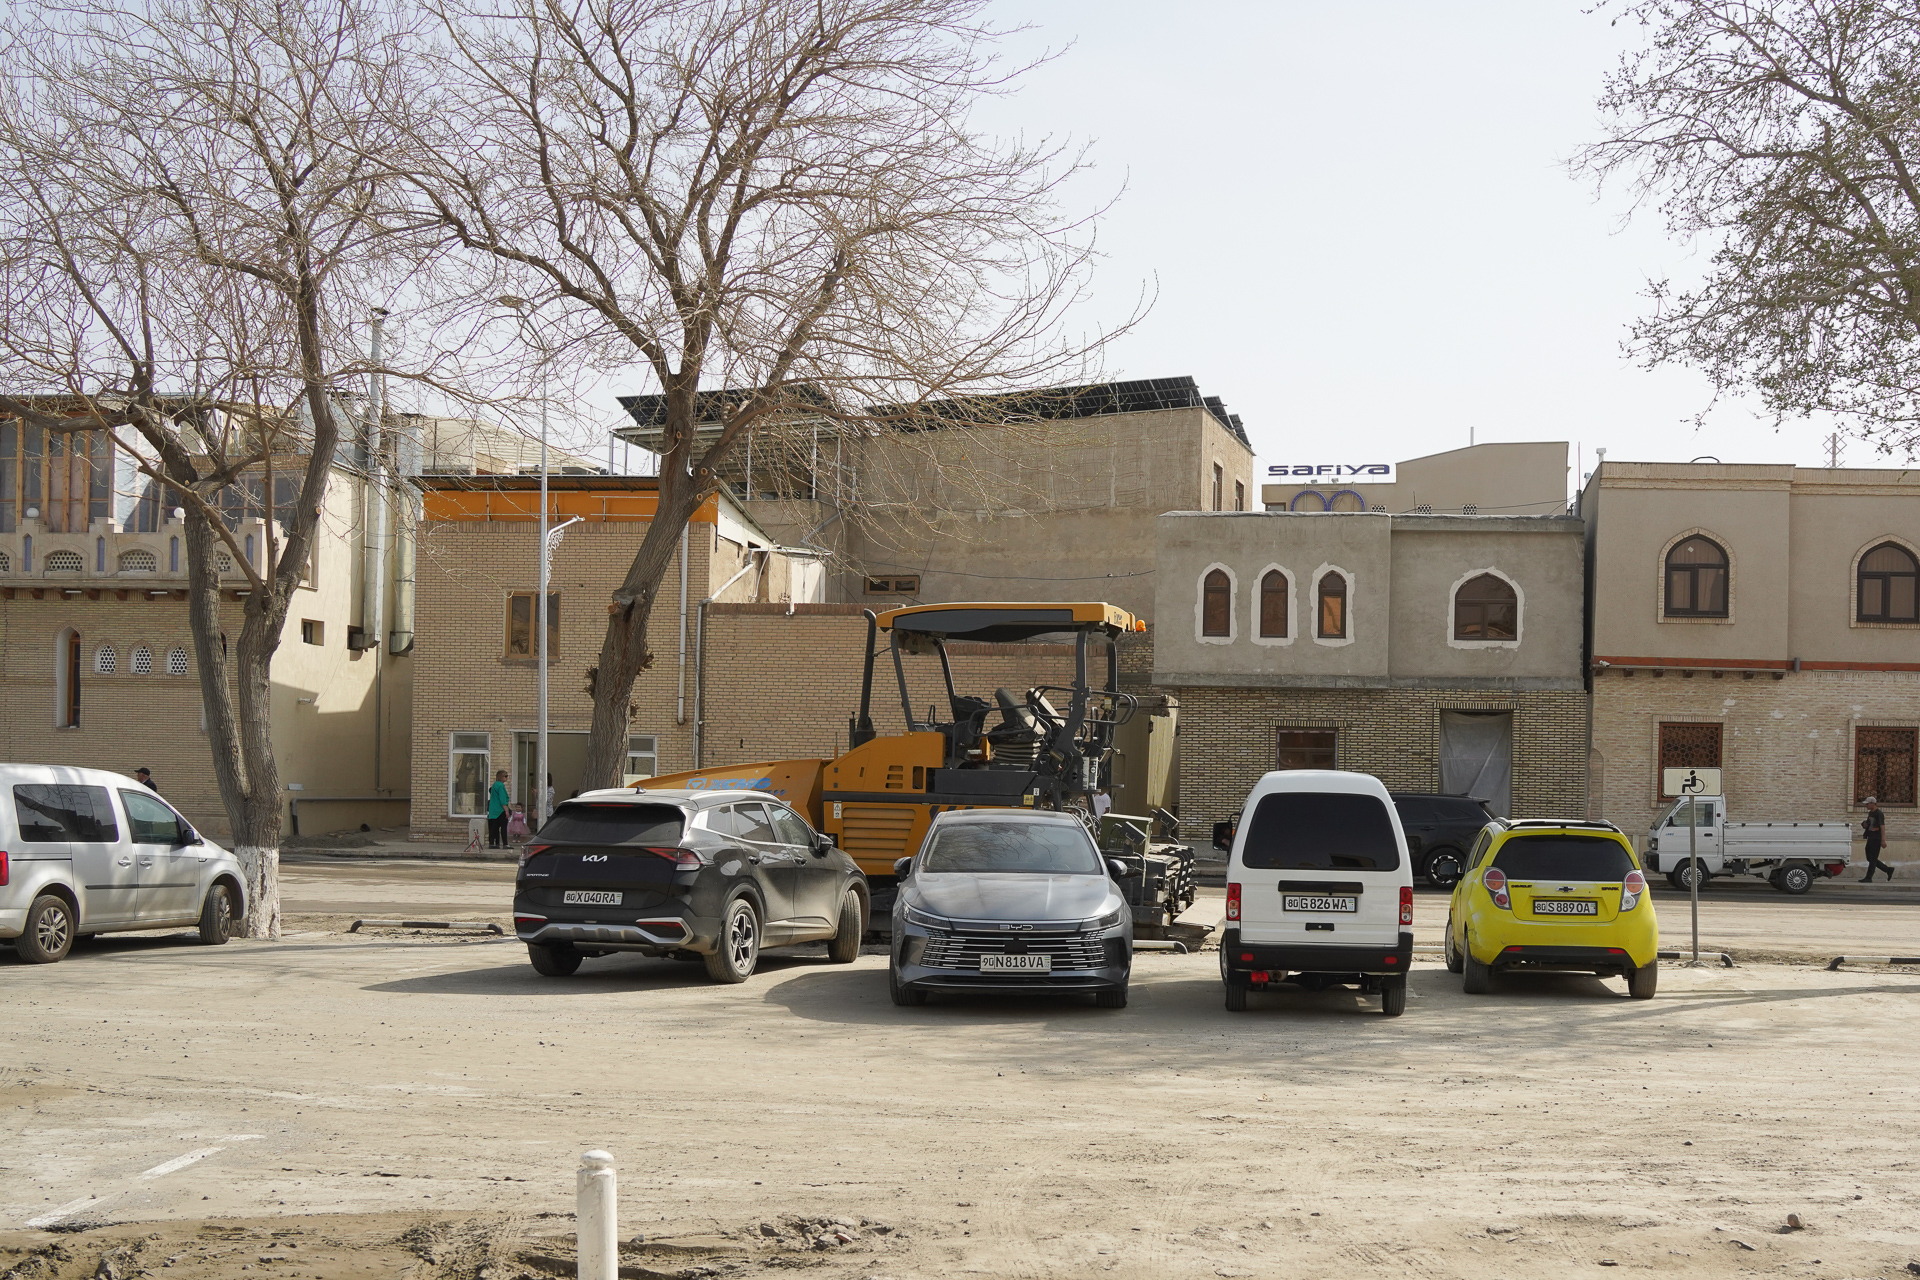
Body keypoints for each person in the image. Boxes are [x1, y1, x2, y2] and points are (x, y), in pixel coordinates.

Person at [1860, 796, 1893, 881]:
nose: (1866, 806)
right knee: (1869, 858)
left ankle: (1868, 877)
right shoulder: (1870, 813)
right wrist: (1864, 824)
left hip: (1876, 838)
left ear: (1872, 803)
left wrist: (1883, 840)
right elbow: (1869, 824)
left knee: (1873, 858)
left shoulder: (1879, 814)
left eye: (1867, 804)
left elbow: (1882, 827)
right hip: (1870, 837)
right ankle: (1888, 870)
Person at [487, 770, 511, 849]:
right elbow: (502, 799)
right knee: (503, 827)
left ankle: (493, 843)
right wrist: (506, 810)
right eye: (505, 776)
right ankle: (505, 844)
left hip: (493, 810)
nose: (507, 778)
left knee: (494, 828)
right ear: (501, 777)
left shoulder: (494, 785)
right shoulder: (501, 785)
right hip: (500, 810)